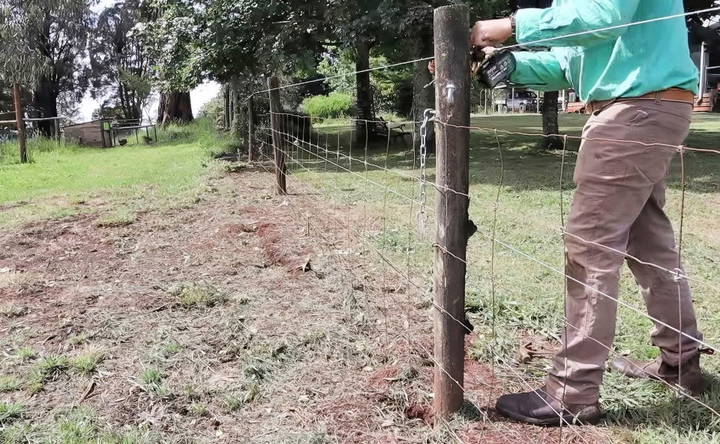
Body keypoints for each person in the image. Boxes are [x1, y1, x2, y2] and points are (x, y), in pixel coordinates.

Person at [470, 0, 707, 426]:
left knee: (590, 248)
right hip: (647, 105)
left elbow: (600, 20)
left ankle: (572, 392)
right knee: (648, 244)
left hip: (632, 110)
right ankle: (682, 363)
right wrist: (509, 65)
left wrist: (508, 25)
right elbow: (572, 64)